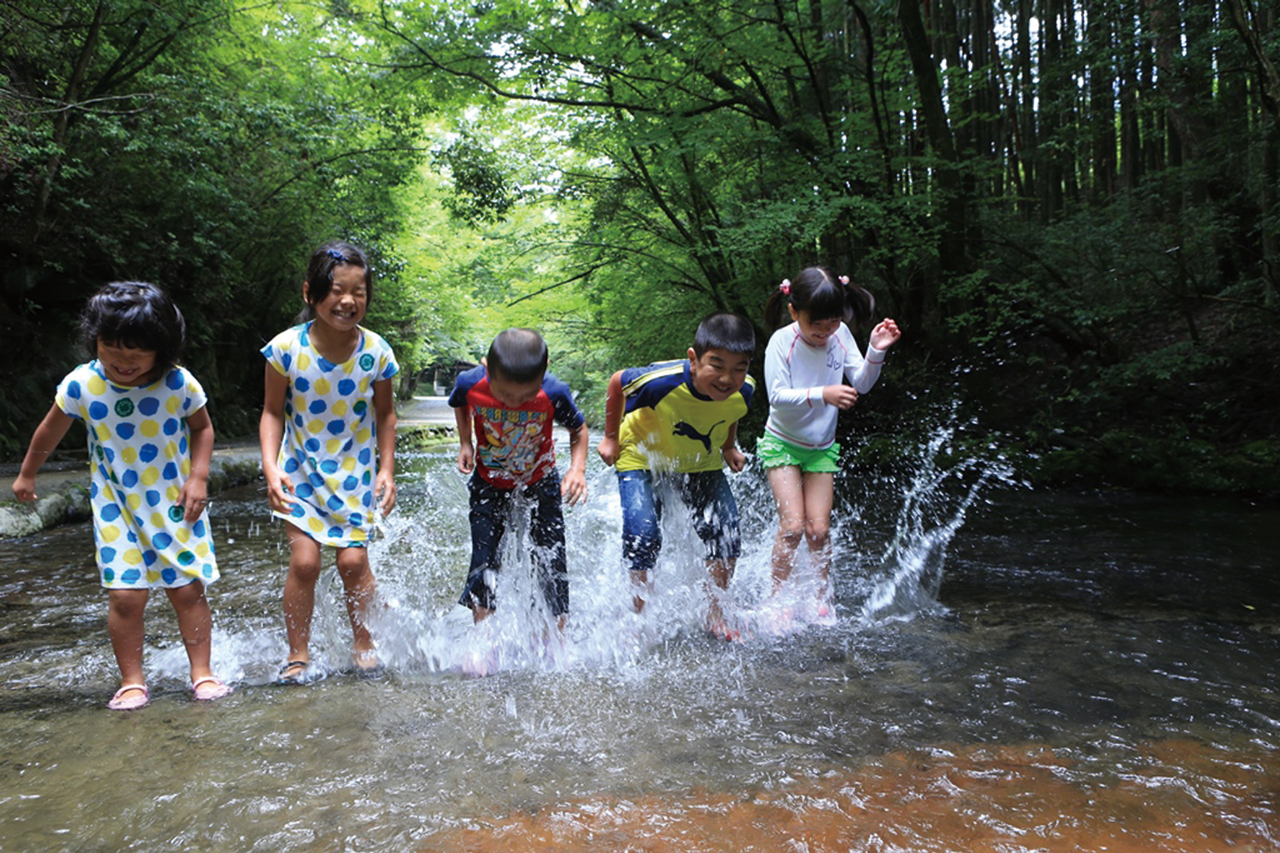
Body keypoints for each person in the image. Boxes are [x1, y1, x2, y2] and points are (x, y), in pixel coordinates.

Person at [12, 282, 231, 710]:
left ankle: (202, 672)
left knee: (186, 590)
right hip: (116, 506)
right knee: (125, 595)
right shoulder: (83, 384)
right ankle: (132, 680)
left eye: (135, 352)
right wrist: (27, 474)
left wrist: (199, 477)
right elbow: (50, 429)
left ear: (162, 350)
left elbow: (202, 428)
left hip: (174, 501)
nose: (121, 360)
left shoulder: (177, 383)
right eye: (110, 346)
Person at [259, 241, 398, 683]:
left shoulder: (376, 353)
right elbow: (271, 412)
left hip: (354, 473)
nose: (347, 301)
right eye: (337, 290)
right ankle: (297, 652)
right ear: (309, 293)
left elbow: (386, 415)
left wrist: (386, 469)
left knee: (353, 563)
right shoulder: (285, 349)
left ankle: (365, 641)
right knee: (305, 563)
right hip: (299, 471)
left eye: (359, 292)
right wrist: (269, 466)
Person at [597, 312, 756, 640]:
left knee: (726, 529)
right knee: (643, 534)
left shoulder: (746, 390)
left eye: (739, 368)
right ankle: (639, 618)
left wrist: (728, 447)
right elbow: (617, 382)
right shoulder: (660, 382)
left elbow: (731, 412)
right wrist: (610, 438)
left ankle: (715, 614)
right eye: (717, 365)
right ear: (694, 360)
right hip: (641, 457)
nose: (728, 378)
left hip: (699, 462)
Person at [760, 266, 901, 622]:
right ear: (795, 312)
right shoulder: (782, 342)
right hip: (783, 444)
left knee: (818, 530)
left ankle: (820, 599)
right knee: (792, 528)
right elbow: (776, 397)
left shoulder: (840, 337)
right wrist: (824, 393)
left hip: (821, 446)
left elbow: (863, 383)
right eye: (816, 325)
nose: (825, 333)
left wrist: (876, 349)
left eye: (833, 323)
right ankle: (777, 600)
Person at [449, 329, 588, 631]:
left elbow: (579, 430)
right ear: (488, 368)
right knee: (484, 558)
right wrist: (465, 443)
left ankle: (556, 633)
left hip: (541, 482)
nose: (514, 403)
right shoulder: (470, 382)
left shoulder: (554, 392)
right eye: (505, 396)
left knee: (551, 557)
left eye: (525, 396)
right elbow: (459, 402)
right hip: (489, 480)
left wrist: (577, 470)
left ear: (544, 372)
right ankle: (482, 635)